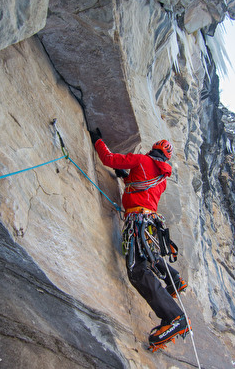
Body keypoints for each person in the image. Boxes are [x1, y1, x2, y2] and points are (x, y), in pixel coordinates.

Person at [89, 129, 190, 350]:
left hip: (137, 221)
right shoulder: (162, 179)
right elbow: (142, 188)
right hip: (150, 224)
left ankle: (175, 318)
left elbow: (108, 158)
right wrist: (127, 176)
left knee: (137, 269)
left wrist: (98, 140)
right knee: (148, 258)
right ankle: (173, 280)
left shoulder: (142, 160)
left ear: (153, 149)